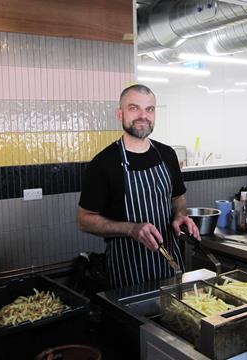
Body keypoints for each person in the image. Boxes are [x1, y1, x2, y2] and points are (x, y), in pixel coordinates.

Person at [77, 84, 200, 289]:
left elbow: (178, 198)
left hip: (171, 267)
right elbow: (84, 220)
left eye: (149, 109)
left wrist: (180, 214)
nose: (143, 115)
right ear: (120, 114)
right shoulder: (103, 163)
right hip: (127, 274)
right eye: (134, 108)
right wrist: (132, 229)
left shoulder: (167, 155)